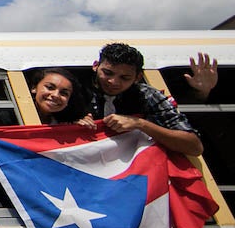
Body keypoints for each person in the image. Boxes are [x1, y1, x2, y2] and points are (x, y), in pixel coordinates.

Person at [82, 43, 211, 156]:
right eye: (107, 73)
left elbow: (194, 147)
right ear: (95, 66)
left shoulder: (148, 95)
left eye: (124, 78)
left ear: (138, 77)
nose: (113, 81)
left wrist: (140, 124)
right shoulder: (75, 92)